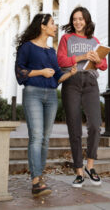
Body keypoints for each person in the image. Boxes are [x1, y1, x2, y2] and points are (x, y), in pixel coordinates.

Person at [15, 13, 77, 197]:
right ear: (42, 26)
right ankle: (35, 181)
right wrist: (41, 72)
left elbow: (57, 76)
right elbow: (20, 72)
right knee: (36, 136)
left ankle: (39, 176)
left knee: (46, 137)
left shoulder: (51, 51)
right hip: (32, 93)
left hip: (51, 96)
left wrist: (71, 73)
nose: (55, 27)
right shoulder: (27, 47)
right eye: (52, 23)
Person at [57, 6, 107, 188]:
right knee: (74, 128)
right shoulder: (66, 38)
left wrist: (97, 59)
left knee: (95, 125)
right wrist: (82, 57)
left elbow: (103, 66)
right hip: (71, 82)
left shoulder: (94, 40)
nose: (77, 22)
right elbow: (60, 60)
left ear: (87, 21)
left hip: (90, 83)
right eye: (74, 19)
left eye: (81, 19)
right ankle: (78, 170)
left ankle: (90, 166)